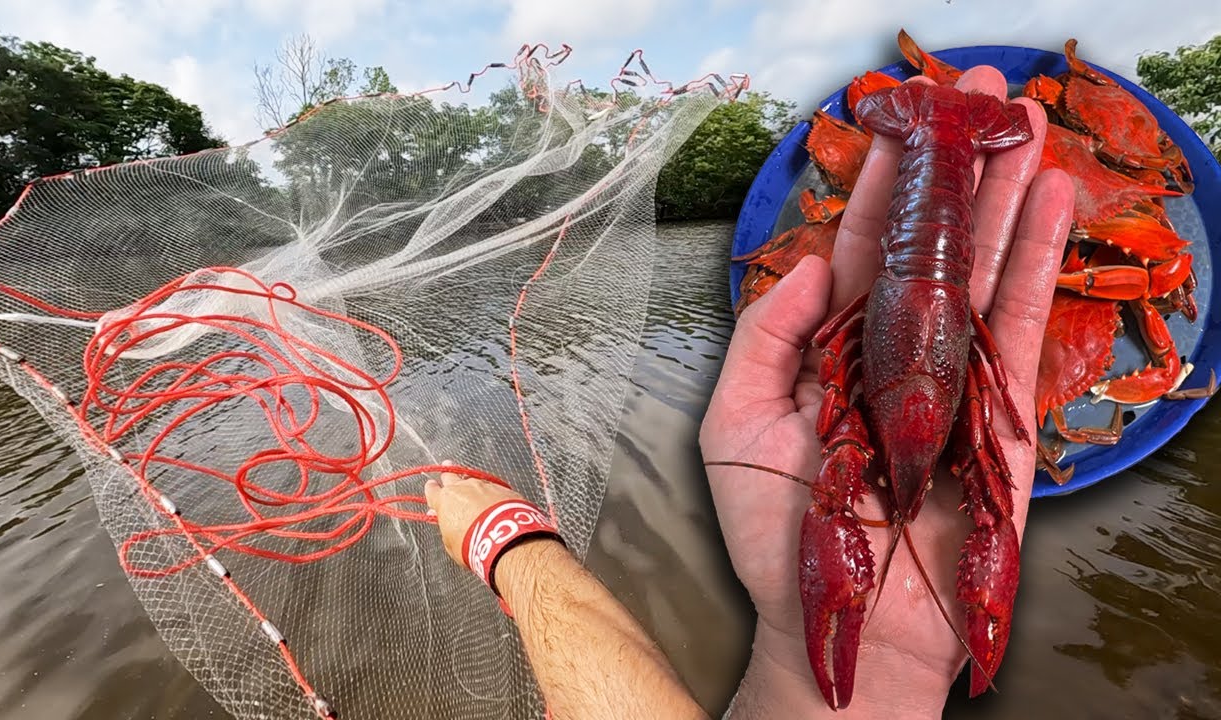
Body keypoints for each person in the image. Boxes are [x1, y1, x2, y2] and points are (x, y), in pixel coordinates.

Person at [424, 65, 1076, 720]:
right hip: (929, 268)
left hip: (927, 265)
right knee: (993, 489)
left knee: (955, 491)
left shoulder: (860, 360)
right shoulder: (939, 352)